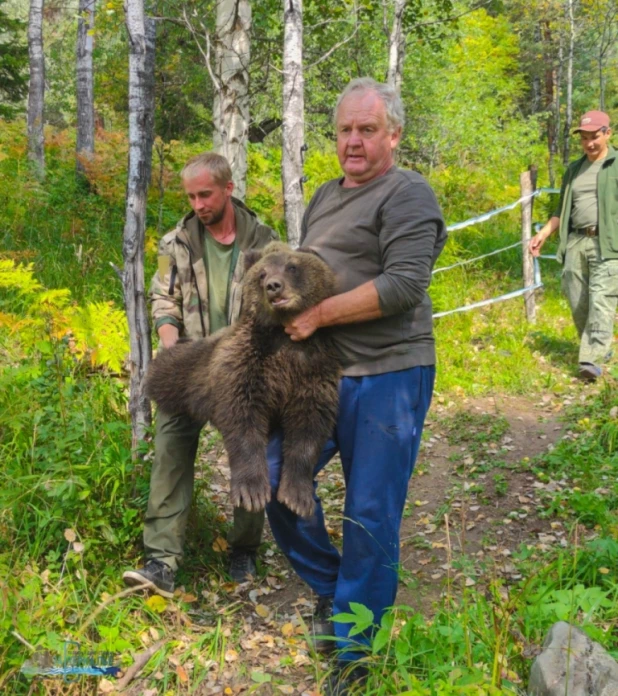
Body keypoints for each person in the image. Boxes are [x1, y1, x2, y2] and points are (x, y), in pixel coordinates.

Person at [265, 78, 447, 693]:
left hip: (390, 374)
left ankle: (355, 651)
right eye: (344, 129)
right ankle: (334, 588)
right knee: (272, 480)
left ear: (392, 134)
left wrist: (317, 315)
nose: (353, 141)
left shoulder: (408, 194)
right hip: (319, 378)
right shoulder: (322, 195)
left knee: (370, 513)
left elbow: (403, 285)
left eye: (367, 130)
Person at [123, 152, 278, 597]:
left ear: (228, 188)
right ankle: (161, 561)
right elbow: (163, 300)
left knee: (252, 455)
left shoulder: (265, 242)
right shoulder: (177, 241)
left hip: (244, 368)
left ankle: (244, 548)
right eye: (190, 196)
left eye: (205, 194)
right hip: (190, 365)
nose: (198, 204)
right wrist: (172, 347)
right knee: (170, 450)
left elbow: (278, 304)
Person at [529, 110, 618, 382]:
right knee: (578, 300)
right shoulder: (574, 170)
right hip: (577, 242)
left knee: (602, 301)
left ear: (608, 134)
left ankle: (590, 361)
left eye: (595, 137)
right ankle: (597, 348)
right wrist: (544, 233)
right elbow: (560, 210)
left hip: (610, 244)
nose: (590, 143)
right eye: (585, 139)